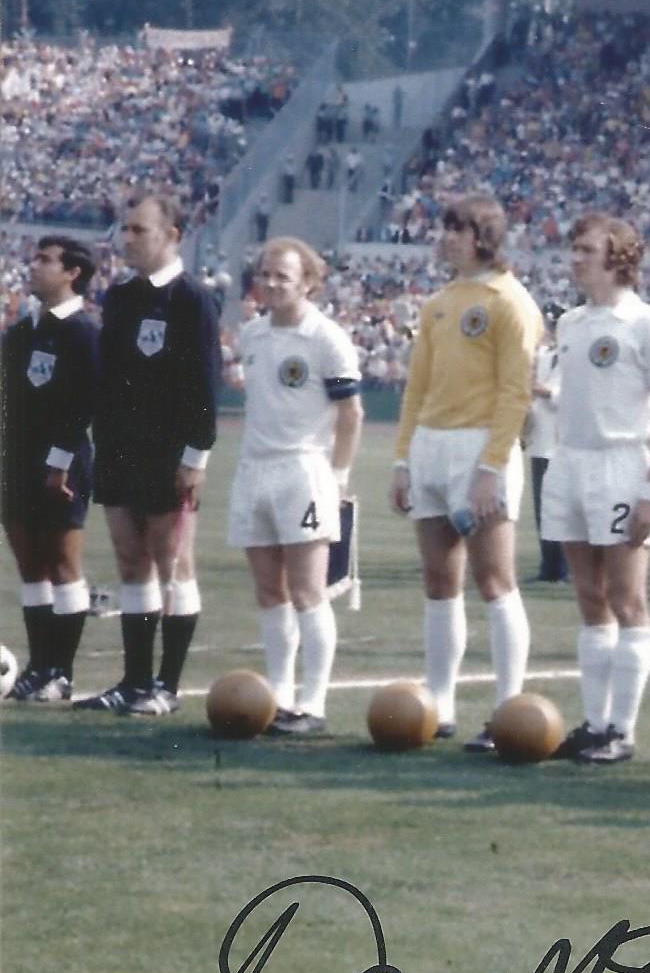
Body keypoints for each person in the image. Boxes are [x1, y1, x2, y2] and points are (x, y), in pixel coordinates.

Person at [388, 194, 542, 740]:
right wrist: (403, 459)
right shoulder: (438, 303)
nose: (446, 237)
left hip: (480, 449)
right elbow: (416, 389)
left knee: (495, 579)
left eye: (457, 229)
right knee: (438, 581)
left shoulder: (510, 301)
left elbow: (514, 391)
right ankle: (440, 704)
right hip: (431, 444)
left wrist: (492, 466)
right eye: (444, 227)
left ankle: (509, 710)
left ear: (482, 237)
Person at [546, 215, 650, 764]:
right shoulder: (572, 323)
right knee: (589, 598)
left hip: (623, 464)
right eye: (573, 248)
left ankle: (622, 730)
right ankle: (595, 722)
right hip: (571, 463)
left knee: (627, 598)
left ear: (618, 258)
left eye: (587, 250)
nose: (576, 258)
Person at [79, 193, 219, 716]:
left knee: (173, 563)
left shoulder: (192, 299)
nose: (128, 239)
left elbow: (205, 386)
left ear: (172, 235)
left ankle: (168, 686)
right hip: (118, 447)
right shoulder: (119, 297)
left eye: (140, 230)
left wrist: (195, 458)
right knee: (130, 562)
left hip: (168, 453)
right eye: (126, 229)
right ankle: (134, 682)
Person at [226, 238, 363, 735]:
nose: (272, 282)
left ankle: (314, 704)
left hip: (304, 471)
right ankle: (278, 696)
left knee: (308, 591)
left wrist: (339, 475)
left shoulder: (326, 338)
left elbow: (351, 413)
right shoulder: (253, 335)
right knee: (269, 591)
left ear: (308, 281)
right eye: (265, 273)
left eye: (283, 275)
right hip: (253, 470)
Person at [3, 234, 102, 702]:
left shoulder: (81, 331)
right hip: (15, 462)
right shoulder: (23, 331)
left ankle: (61, 673)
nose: (34, 265)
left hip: (60, 465)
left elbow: (82, 404)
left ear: (71, 273)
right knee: (31, 568)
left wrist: (59, 462)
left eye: (45, 260)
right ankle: (39, 669)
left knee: (63, 566)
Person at [525, 314, 568, 583]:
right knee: (542, 508)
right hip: (540, 440)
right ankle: (548, 566)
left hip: (560, 441)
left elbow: (562, 396)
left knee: (558, 508)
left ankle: (563, 567)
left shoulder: (571, 356)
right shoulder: (546, 354)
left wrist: (537, 389)